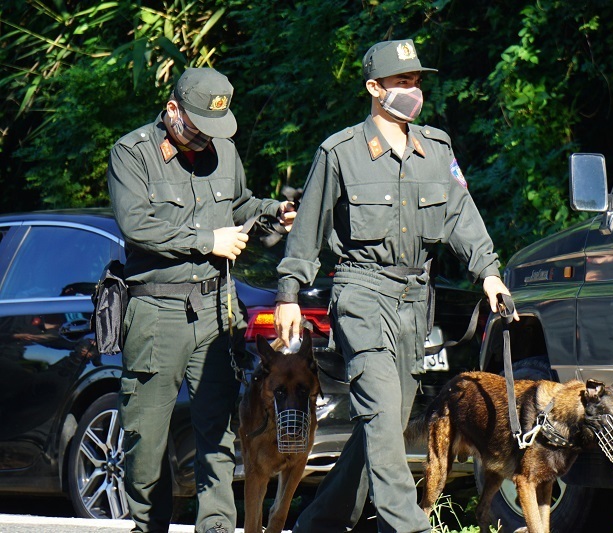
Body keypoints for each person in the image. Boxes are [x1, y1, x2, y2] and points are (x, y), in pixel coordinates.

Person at [274, 39, 518, 533]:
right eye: (402, 82)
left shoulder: (437, 149)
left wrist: (489, 273)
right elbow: (307, 233)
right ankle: (409, 528)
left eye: (417, 81)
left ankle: (315, 526)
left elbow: (460, 217)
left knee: (377, 432)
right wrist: (289, 294)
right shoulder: (340, 153)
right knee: (383, 422)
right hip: (362, 295)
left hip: (414, 304)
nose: (414, 90)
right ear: (374, 88)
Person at [107, 67, 294, 533]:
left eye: (214, 130)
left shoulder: (224, 151)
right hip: (156, 311)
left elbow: (241, 204)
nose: (204, 140)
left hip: (216, 310)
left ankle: (216, 528)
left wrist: (273, 212)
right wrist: (206, 240)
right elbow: (136, 224)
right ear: (172, 110)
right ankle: (149, 525)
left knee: (218, 434)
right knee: (144, 438)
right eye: (196, 128)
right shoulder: (132, 153)